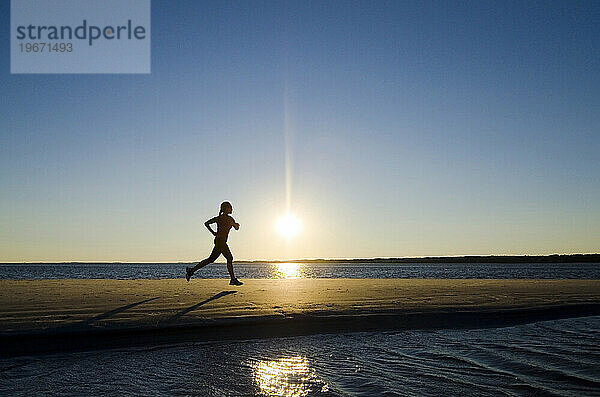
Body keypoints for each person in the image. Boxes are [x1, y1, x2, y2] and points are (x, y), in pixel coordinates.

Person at [186, 201, 243, 285]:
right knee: (229, 258)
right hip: (221, 241)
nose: (231, 209)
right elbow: (236, 228)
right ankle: (232, 279)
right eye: (230, 207)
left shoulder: (221, 218)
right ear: (225, 209)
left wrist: (213, 232)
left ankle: (191, 270)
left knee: (211, 259)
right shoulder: (228, 219)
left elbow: (206, 223)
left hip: (219, 241)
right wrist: (236, 225)